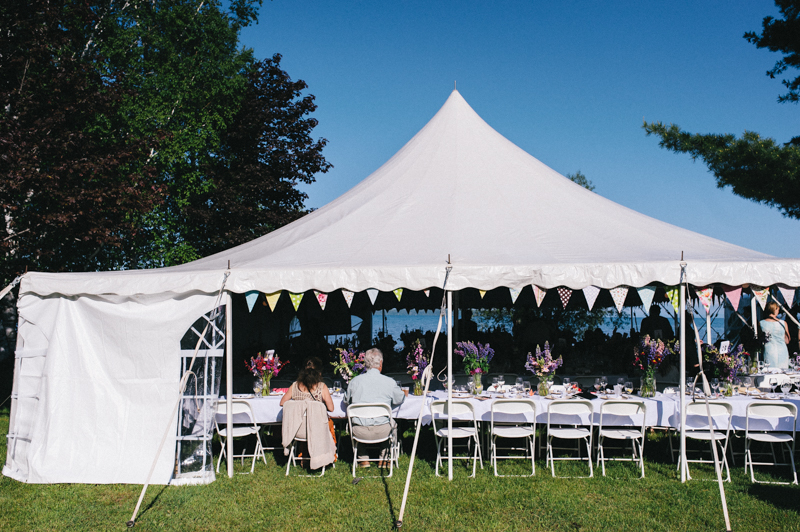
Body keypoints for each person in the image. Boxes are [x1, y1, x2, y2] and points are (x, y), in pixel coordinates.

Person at [345, 347, 406, 468]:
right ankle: (384, 458)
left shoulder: (354, 382)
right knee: (391, 423)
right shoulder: (389, 382)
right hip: (383, 431)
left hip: (359, 431)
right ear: (381, 363)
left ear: (365, 363)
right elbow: (400, 399)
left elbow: (346, 401)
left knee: (354, 421)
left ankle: (363, 458)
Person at [280, 357, 336, 469]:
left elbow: (282, 403)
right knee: (330, 424)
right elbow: (331, 408)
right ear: (319, 373)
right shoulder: (322, 387)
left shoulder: (294, 386)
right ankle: (328, 456)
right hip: (317, 430)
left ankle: (303, 456)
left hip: (297, 429)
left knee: (306, 423)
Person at [760, 301, 790, 369]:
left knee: (769, 371)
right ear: (775, 309)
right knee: (783, 373)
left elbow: (760, 339)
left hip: (769, 350)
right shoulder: (783, 323)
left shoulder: (761, 323)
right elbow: (787, 340)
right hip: (782, 351)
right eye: (778, 310)